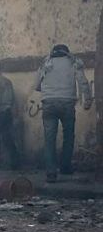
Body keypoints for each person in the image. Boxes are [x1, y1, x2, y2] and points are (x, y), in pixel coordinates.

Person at [36, 43, 93, 181]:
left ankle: (51, 172)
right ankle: (65, 167)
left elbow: (37, 83)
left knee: (49, 139)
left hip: (48, 103)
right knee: (68, 135)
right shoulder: (73, 62)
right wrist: (87, 100)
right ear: (67, 52)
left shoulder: (46, 62)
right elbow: (83, 82)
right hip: (67, 103)